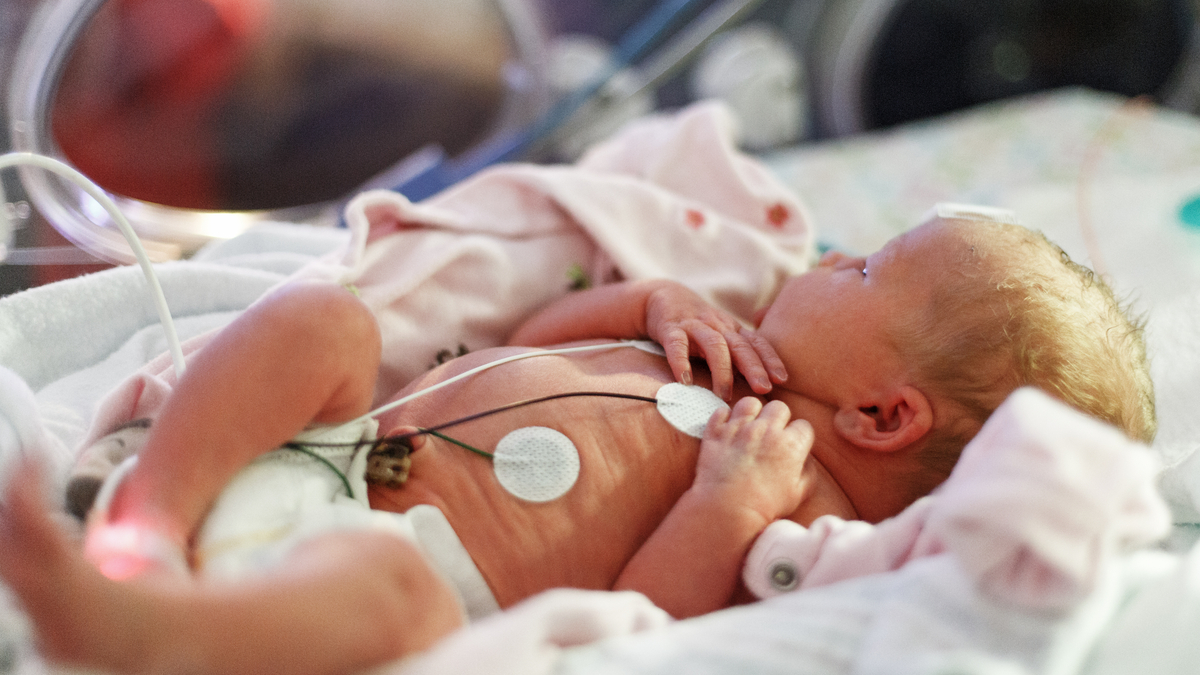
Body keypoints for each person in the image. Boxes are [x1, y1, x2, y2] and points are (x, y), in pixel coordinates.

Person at [0, 212, 1153, 675]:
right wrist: (640, 302)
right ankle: (146, 516)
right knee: (326, 322)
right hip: (331, 440)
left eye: (859, 269)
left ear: (885, 417)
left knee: (392, 589)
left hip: (354, 572)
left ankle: (160, 630)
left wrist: (725, 507)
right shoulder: (719, 349)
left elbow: (649, 625)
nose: (819, 261)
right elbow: (509, 343)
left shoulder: (797, 512)